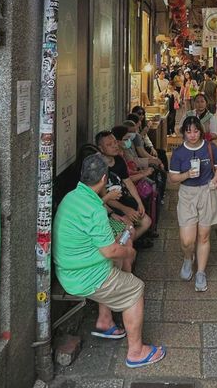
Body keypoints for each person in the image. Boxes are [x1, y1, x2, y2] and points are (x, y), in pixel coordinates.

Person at [53, 154, 166, 368]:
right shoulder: (95, 210)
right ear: (104, 179)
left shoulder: (73, 197)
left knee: (117, 263)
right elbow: (110, 250)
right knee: (135, 288)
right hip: (82, 276)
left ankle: (105, 321)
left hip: (69, 267)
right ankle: (136, 352)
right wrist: (128, 253)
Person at [169, 116, 217, 292]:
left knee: (204, 235)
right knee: (187, 240)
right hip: (187, 194)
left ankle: (201, 272)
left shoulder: (210, 147)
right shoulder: (179, 153)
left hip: (206, 192)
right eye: (188, 132)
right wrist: (187, 175)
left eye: (195, 131)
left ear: (201, 131)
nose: (192, 135)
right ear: (183, 133)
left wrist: (215, 180)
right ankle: (188, 258)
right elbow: (172, 178)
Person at [95, 130, 153, 247]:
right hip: (106, 205)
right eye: (109, 145)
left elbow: (128, 182)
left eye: (115, 142)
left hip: (122, 199)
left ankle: (126, 245)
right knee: (129, 225)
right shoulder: (98, 164)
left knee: (146, 221)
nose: (115, 146)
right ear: (101, 148)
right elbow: (104, 196)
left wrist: (139, 202)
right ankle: (124, 247)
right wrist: (126, 210)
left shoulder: (119, 160)